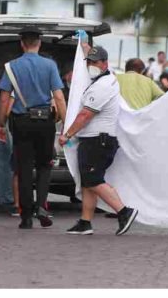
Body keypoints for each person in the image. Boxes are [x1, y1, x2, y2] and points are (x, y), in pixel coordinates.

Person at [59, 34, 139, 236]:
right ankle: (85, 222)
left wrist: (66, 135)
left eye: (96, 62)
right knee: (88, 181)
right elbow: (88, 55)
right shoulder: (103, 78)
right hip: (95, 140)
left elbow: (85, 115)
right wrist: (83, 44)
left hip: (98, 141)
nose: (92, 65)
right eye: (90, 62)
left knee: (93, 180)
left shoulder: (103, 85)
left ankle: (124, 211)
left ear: (105, 63)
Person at [0, 26, 67, 229]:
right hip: (45, 121)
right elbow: (59, 96)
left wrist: (1, 123)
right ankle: (42, 207)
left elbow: (3, 99)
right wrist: (64, 120)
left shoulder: (11, 67)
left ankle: (25, 216)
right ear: (39, 43)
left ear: (22, 44)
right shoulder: (50, 65)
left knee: (24, 167)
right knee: (45, 165)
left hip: (21, 122)